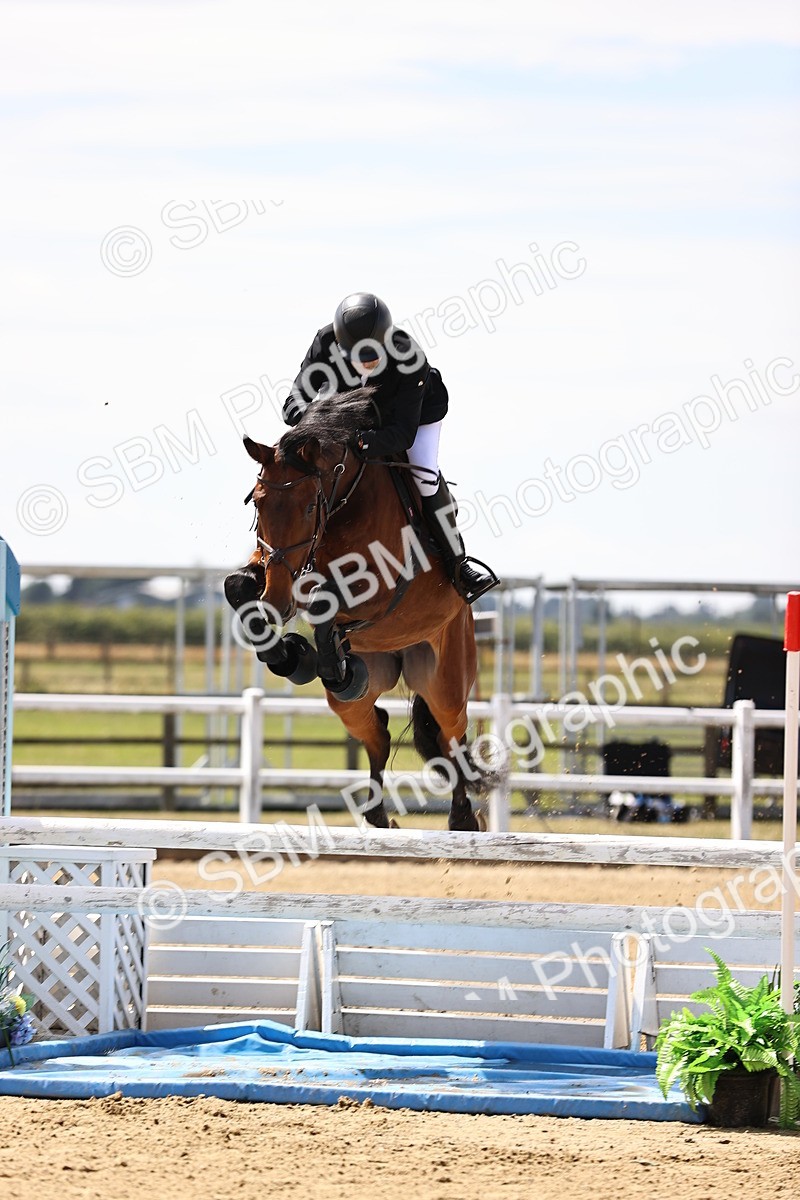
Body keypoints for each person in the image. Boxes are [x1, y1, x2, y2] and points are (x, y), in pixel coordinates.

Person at [282, 292, 498, 604]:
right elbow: (297, 397)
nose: (367, 361)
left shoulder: (409, 358)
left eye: (373, 354)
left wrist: (360, 441)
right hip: (349, 418)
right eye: (359, 355)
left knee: (424, 474)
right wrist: (303, 413)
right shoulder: (325, 343)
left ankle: (458, 563)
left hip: (412, 417)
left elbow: (402, 434)